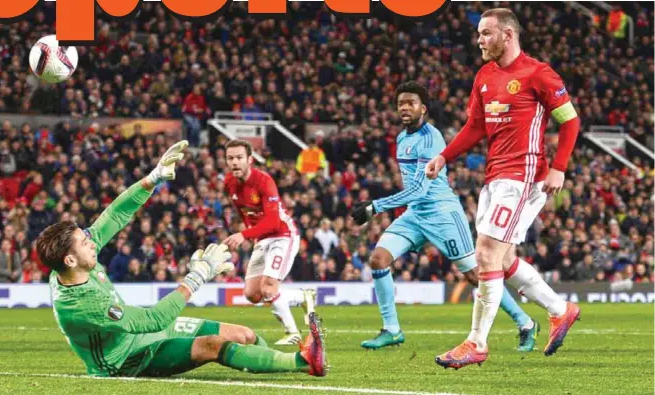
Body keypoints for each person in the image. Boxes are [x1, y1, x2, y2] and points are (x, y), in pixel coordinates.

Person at [38, 140, 327, 378]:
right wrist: (197, 276)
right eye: (84, 241)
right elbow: (153, 319)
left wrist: (151, 179)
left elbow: (114, 214)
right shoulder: (81, 304)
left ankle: (282, 359)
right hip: (127, 357)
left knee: (244, 335)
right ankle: (302, 362)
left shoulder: (72, 261)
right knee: (212, 345)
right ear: (70, 260)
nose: (91, 240)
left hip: (140, 330)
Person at [425, 8, 581, 369]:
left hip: (525, 175)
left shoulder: (538, 73)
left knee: (486, 253)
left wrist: (559, 168)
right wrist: (444, 156)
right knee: (504, 260)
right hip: (496, 177)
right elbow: (475, 126)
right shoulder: (484, 75)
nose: (479, 40)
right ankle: (561, 309)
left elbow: (570, 122)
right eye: (479, 34)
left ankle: (476, 342)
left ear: (507, 35)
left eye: (485, 34)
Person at [350, 81, 539, 352]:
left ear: (423, 109)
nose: (404, 107)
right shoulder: (402, 138)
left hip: (443, 215)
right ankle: (391, 329)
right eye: (401, 103)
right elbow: (412, 191)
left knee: (477, 276)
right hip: (416, 215)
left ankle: (525, 322)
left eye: (410, 103)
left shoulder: (431, 139)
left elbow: (418, 188)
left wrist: (375, 206)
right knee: (378, 259)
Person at [222, 139, 315, 345]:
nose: (235, 162)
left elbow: (273, 222)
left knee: (269, 288)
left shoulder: (264, 181)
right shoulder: (229, 182)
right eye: (230, 158)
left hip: (283, 234)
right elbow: (243, 210)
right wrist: (253, 235)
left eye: (239, 158)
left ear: (250, 160)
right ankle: (302, 296)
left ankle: (292, 333)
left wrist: (244, 234)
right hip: (261, 237)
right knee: (252, 294)